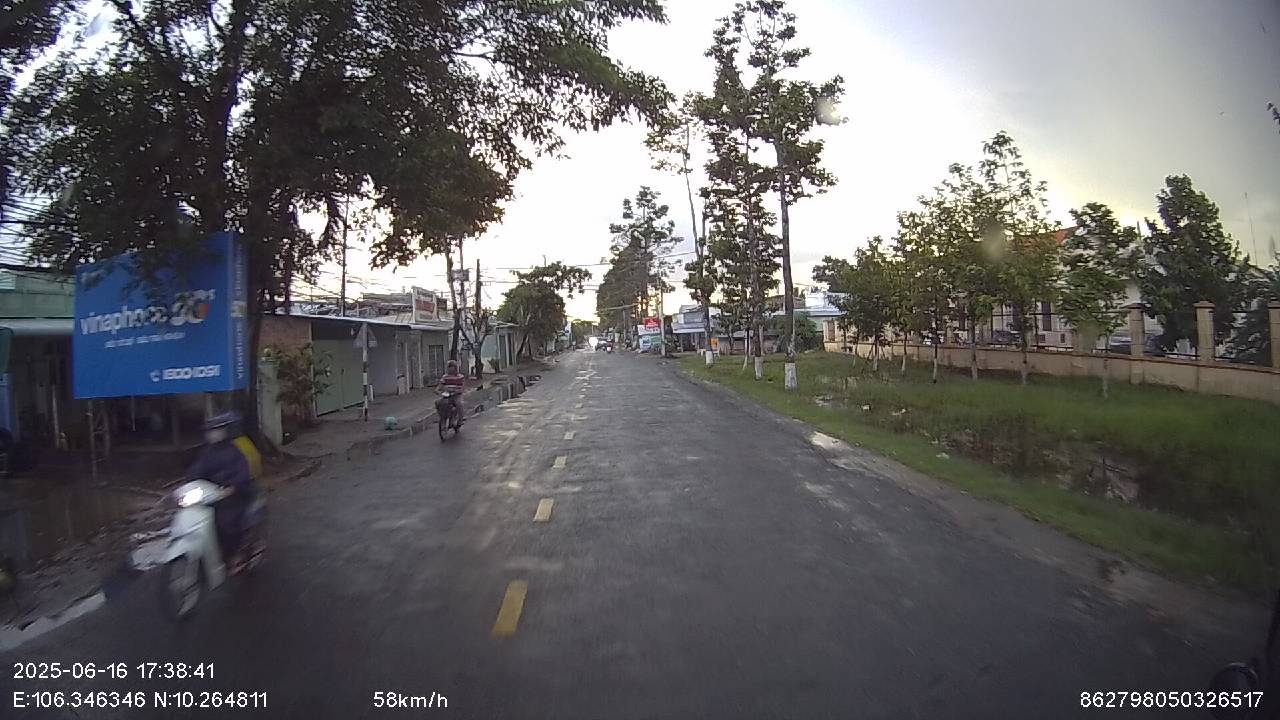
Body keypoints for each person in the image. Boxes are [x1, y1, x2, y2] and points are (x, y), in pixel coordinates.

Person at [186, 411, 258, 571]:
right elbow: (196, 470)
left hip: (236, 494)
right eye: (211, 430)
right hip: (212, 495)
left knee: (226, 523)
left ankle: (234, 554)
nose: (214, 434)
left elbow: (243, 472)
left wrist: (233, 487)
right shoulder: (207, 452)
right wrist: (190, 482)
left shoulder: (236, 450)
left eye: (217, 430)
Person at [436, 359, 467, 424]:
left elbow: (462, 388)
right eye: (449, 367)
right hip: (447, 395)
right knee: (438, 403)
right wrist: (437, 391)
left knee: (459, 404)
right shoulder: (445, 377)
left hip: (457, 395)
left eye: (452, 367)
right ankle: (442, 417)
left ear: (455, 368)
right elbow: (440, 385)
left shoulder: (460, 377)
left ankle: (460, 420)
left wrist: (457, 391)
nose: (450, 369)